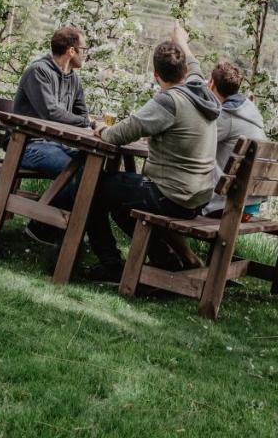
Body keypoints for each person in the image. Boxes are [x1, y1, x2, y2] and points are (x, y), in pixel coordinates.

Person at [83, 22, 220, 282]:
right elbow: (193, 63)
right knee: (122, 199)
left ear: (156, 75)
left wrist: (99, 127)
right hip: (198, 196)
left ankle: (112, 265)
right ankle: (164, 261)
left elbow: (120, 134)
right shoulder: (201, 91)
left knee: (93, 187)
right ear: (184, 71)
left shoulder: (168, 100)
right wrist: (180, 40)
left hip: (172, 196)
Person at [13, 25, 93, 246]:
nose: (86, 53)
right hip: (29, 145)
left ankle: (47, 226)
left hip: (57, 145)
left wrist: (83, 120)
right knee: (75, 175)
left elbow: (81, 113)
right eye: (84, 48)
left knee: (93, 172)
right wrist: (86, 122)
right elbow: (51, 113)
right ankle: (43, 227)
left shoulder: (74, 79)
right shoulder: (38, 71)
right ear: (71, 51)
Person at [202, 61, 267, 218]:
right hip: (249, 206)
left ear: (211, 84)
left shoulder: (226, 117)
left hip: (225, 206)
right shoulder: (252, 114)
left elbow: (194, 142)